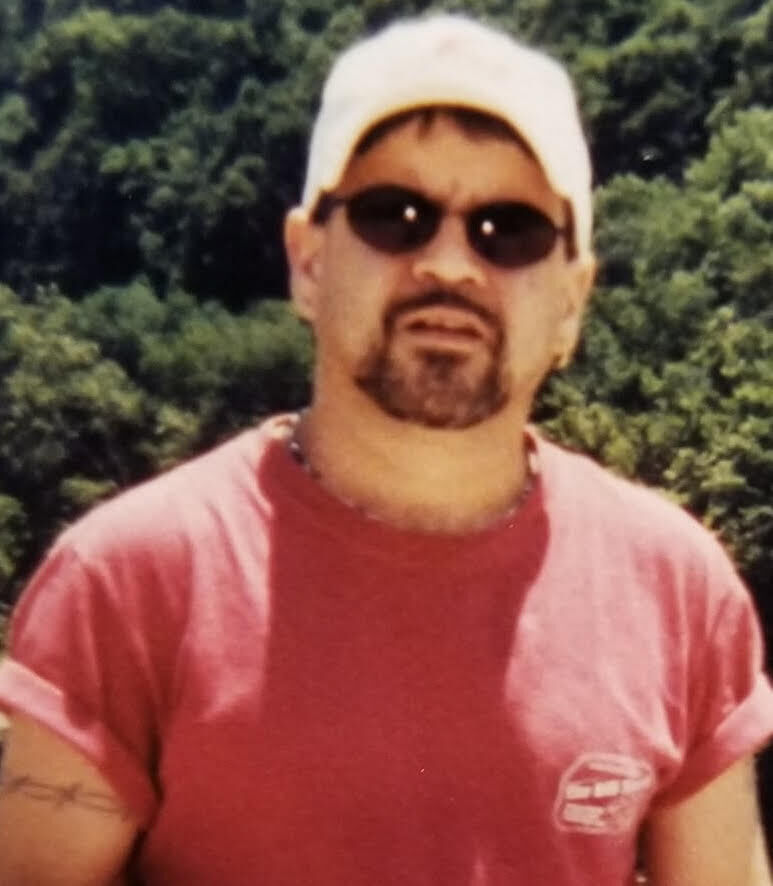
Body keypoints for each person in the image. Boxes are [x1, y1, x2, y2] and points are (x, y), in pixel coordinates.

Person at [0, 13, 772, 886]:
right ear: (308, 261)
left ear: (571, 299)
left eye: (509, 229)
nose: (449, 265)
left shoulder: (678, 592)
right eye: (393, 216)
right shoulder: (128, 583)